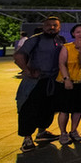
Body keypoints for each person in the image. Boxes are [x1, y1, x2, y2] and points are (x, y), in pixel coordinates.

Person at [14, 16, 65, 152]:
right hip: (35, 82)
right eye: (48, 25)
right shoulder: (35, 40)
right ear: (43, 27)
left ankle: (42, 132)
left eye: (55, 25)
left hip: (52, 81)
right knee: (28, 109)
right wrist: (27, 70)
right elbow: (19, 56)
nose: (52, 27)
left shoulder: (59, 41)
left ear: (59, 28)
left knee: (48, 108)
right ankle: (27, 138)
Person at [55, 24, 81, 145]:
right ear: (73, 34)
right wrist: (67, 79)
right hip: (66, 82)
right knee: (64, 110)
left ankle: (73, 130)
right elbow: (61, 64)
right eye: (78, 32)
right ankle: (63, 133)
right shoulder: (66, 47)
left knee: (78, 110)